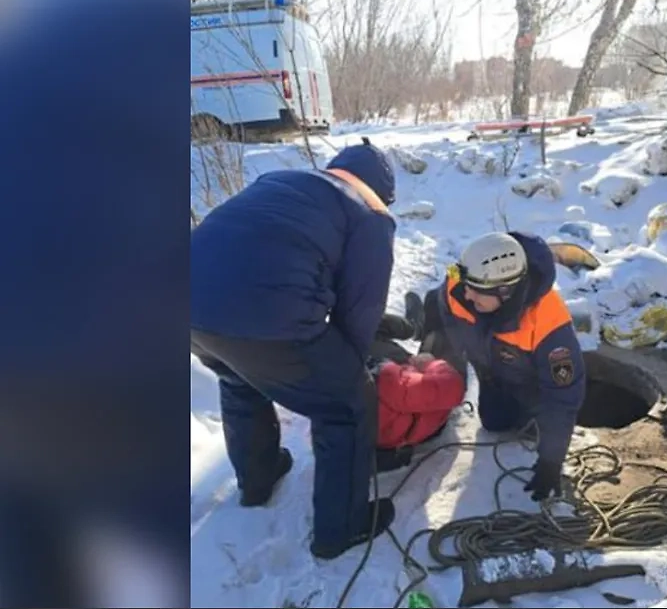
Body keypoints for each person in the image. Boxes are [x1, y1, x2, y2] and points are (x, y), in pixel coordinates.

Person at [190, 138, 397, 561]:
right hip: (267, 313)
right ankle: (340, 530)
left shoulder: (281, 180)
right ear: (383, 190)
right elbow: (360, 309)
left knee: (240, 377)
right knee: (347, 405)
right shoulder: (371, 213)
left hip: (188, 305)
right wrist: (350, 373)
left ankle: (258, 479)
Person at [408, 231, 587, 502]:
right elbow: (440, 296)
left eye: (476, 291)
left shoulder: (550, 325)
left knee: (510, 420)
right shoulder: (464, 280)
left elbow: (563, 398)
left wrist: (552, 461)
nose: (466, 294)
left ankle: (528, 417)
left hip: (527, 382)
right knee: (492, 421)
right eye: (466, 284)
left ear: (505, 292)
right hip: (488, 367)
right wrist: (432, 344)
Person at [366, 313, 466, 473]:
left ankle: (413, 327)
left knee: (366, 323)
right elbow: (454, 387)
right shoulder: (387, 381)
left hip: (399, 377)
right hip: (423, 402)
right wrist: (431, 363)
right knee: (444, 335)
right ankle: (418, 327)